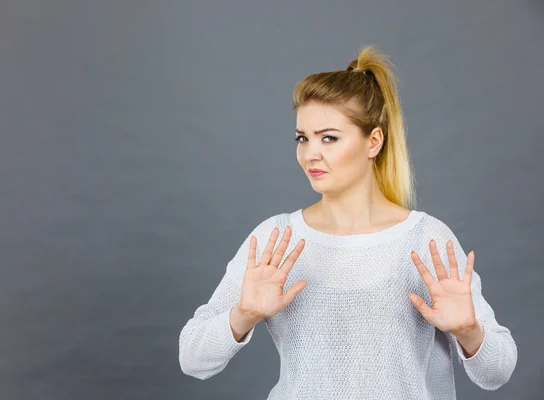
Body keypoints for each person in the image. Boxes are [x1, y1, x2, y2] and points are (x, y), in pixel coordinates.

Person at [178, 45, 517, 399]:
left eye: (329, 138)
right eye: (302, 138)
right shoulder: (276, 239)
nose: (311, 153)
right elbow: (192, 358)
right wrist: (243, 315)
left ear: (373, 141)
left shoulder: (423, 240)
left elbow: (498, 372)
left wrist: (469, 331)